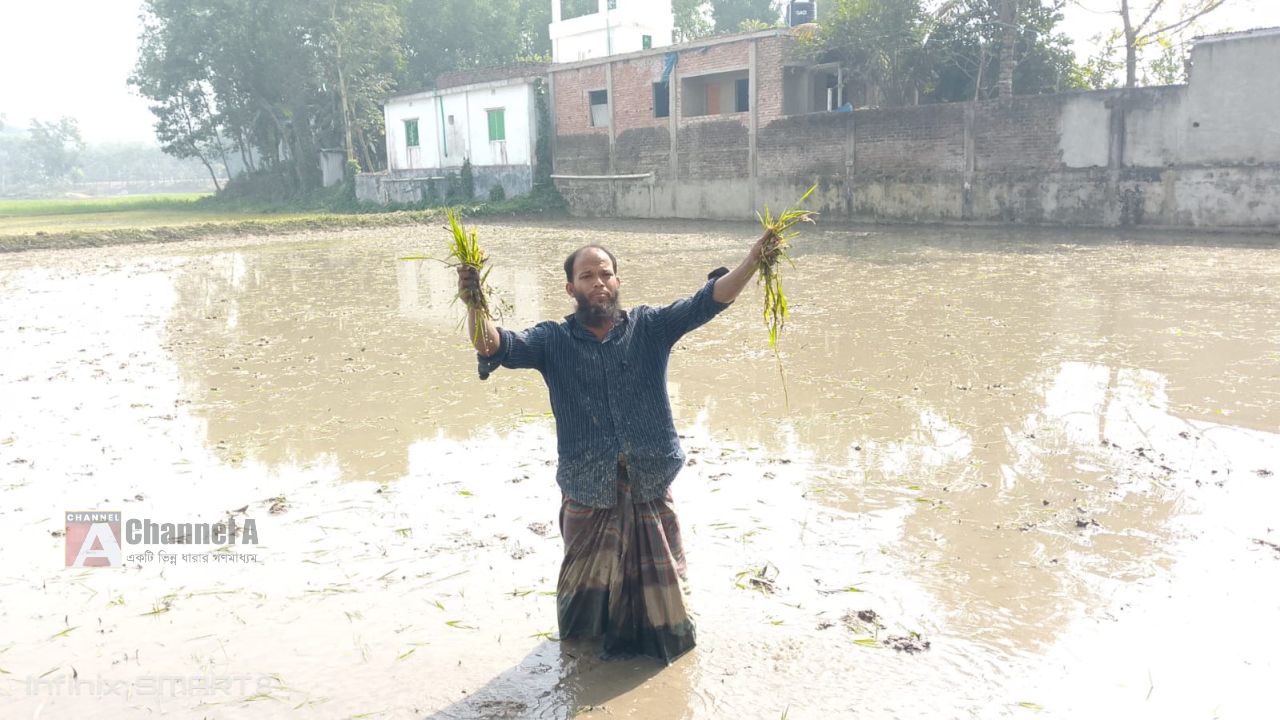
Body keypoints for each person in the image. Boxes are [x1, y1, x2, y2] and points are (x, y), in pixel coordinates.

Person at [456, 233, 770, 663]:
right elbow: (494, 344)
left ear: (618, 280)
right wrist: (474, 302)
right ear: (571, 289)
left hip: (649, 479)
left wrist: (752, 260)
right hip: (588, 485)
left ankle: (660, 655)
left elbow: (707, 301)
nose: (598, 281)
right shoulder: (552, 340)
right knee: (583, 603)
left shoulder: (650, 326)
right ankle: (583, 661)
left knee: (664, 598)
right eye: (587, 275)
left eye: (605, 273)